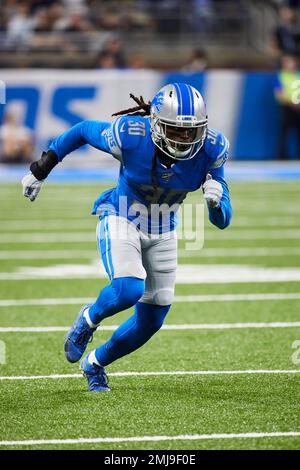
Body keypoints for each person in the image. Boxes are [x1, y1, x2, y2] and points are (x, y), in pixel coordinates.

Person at [22, 83, 232, 392]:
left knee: (154, 317)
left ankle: (95, 363)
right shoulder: (130, 136)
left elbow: (222, 221)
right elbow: (82, 130)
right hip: (121, 214)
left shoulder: (212, 149)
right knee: (128, 287)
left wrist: (216, 202)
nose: (185, 138)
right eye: (176, 130)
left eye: (191, 131)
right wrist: (42, 168)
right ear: (157, 124)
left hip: (163, 227)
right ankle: (88, 320)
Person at [274, 54, 300, 159]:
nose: (287, 64)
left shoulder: (297, 75)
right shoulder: (280, 76)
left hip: (298, 107)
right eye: (285, 62)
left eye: (289, 62)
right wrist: (292, 103)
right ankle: (281, 156)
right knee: (284, 132)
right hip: (287, 107)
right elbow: (279, 94)